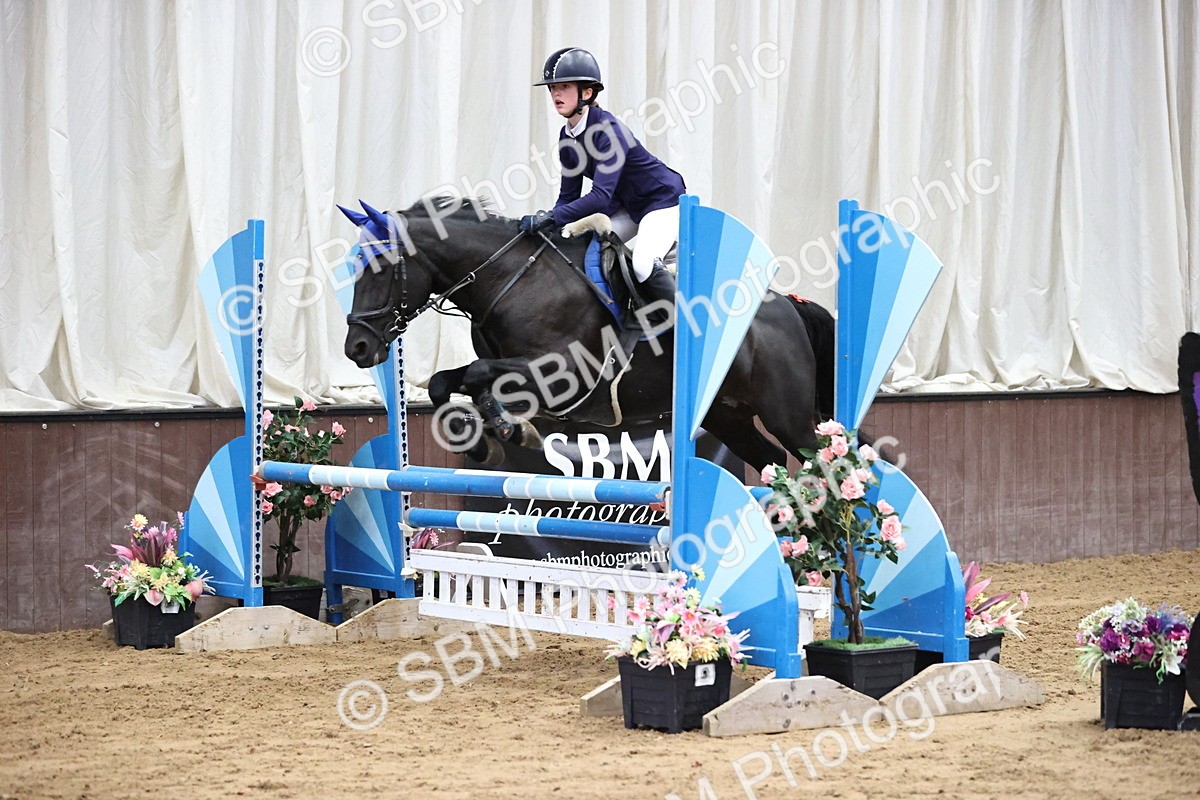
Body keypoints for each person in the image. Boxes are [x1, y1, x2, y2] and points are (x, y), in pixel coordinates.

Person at [519, 47, 683, 306]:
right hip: (628, 206)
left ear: (587, 92)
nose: (555, 94)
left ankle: (689, 327)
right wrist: (552, 226)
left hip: (661, 201)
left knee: (642, 265)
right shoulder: (567, 138)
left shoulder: (610, 131)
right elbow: (568, 196)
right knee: (586, 248)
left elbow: (599, 197)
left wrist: (551, 217)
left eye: (564, 86)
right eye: (552, 88)